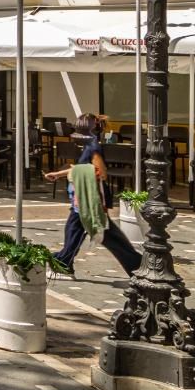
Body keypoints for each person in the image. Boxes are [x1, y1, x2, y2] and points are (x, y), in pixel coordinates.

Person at [43, 112, 142, 279]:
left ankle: (138, 266)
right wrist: (59, 174)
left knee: (103, 234)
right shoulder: (90, 145)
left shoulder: (93, 147)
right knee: (77, 230)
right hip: (83, 196)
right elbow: (83, 168)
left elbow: (100, 172)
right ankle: (64, 262)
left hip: (90, 197)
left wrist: (78, 175)